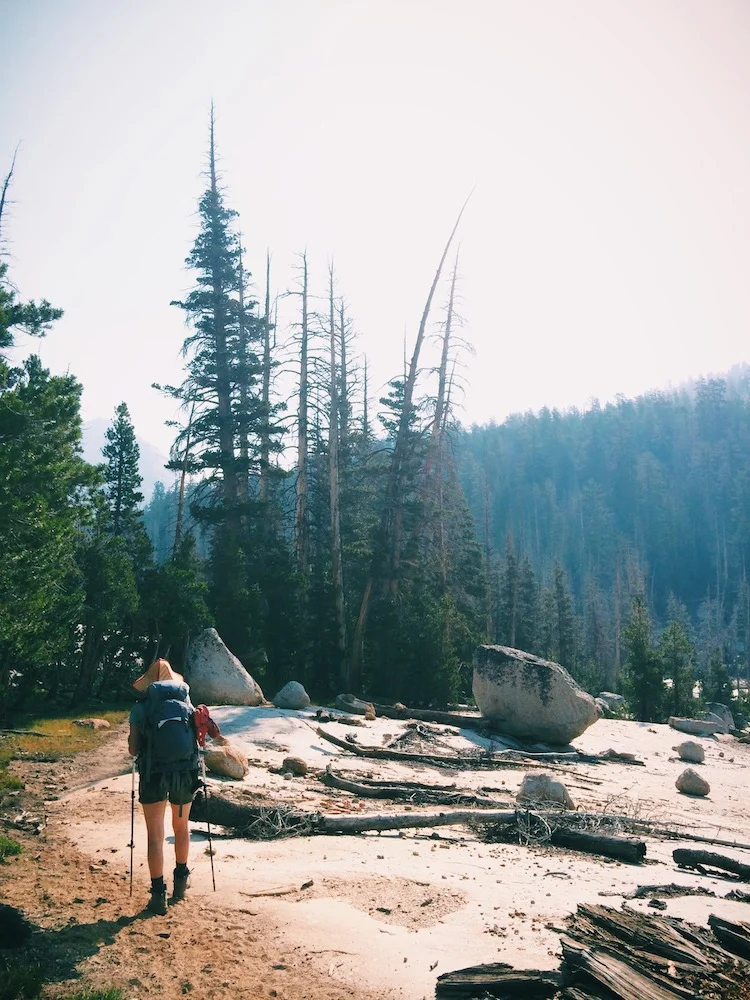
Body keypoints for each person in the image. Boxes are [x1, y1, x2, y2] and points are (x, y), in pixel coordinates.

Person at [128, 657, 200, 915]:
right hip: (184, 773)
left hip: (153, 774)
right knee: (181, 828)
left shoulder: (140, 708)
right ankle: (181, 883)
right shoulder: (186, 704)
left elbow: (133, 749)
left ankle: (158, 896)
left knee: (155, 834)